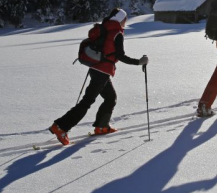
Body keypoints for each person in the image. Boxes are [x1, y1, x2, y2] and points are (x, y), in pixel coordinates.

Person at [49, 8, 149, 145]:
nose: (126, 21)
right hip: (102, 71)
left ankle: (102, 126)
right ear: (121, 19)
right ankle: (60, 127)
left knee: (110, 97)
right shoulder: (116, 33)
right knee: (87, 102)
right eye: (125, 19)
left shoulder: (105, 28)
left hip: (97, 69)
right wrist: (138, 62)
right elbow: (120, 55)